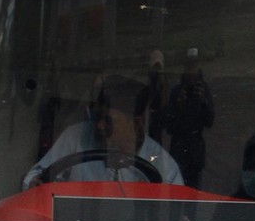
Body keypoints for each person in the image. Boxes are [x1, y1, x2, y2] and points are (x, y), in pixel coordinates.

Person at [22, 75, 183, 189]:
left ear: (135, 123)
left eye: (108, 120)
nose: (99, 126)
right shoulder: (75, 138)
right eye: (97, 117)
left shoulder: (164, 166)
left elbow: (174, 215)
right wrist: (34, 184)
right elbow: (35, 176)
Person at [166, 48, 215, 188]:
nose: (192, 72)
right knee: (176, 194)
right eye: (189, 67)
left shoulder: (203, 90)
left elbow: (210, 121)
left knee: (192, 195)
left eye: (194, 67)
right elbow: (169, 127)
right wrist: (179, 107)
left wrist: (204, 102)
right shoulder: (177, 91)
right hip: (179, 149)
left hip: (195, 150)